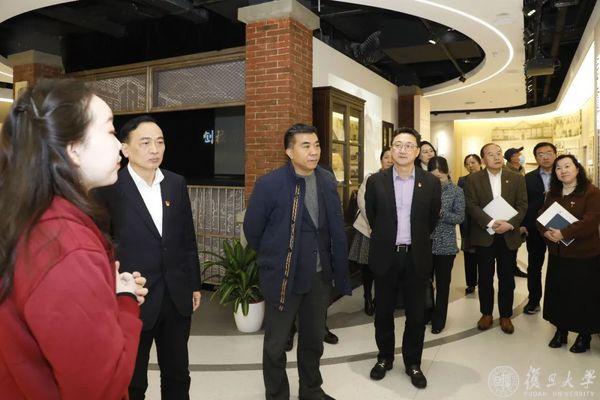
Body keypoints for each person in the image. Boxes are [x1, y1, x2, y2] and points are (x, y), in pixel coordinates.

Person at [0, 79, 148, 399]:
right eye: (110, 131)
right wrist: (123, 300)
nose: (120, 146)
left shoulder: (31, 217)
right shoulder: (66, 248)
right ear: (74, 150)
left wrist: (104, 290)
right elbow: (102, 388)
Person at [243, 123, 351, 400]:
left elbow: (333, 224)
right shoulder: (270, 184)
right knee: (276, 344)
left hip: (318, 276)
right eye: (306, 146)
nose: (314, 151)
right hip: (284, 277)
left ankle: (311, 390)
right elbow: (252, 230)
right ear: (289, 152)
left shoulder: (326, 179)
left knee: (313, 340)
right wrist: (274, 257)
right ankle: (277, 394)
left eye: (317, 145)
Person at [97, 115, 201, 400]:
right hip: (133, 298)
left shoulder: (175, 183)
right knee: (133, 381)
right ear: (125, 149)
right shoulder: (109, 188)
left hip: (176, 295)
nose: (155, 149)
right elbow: (101, 245)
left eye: (160, 142)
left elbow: (187, 237)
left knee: (178, 375)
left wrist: (194, 283)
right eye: (145, 143)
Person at [365, 127, 441, 389]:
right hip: (386, 256)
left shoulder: (430, 182)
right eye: (397, 144)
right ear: (391, 149)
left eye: (409, 145)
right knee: (383, 312)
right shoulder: (376, 181)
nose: (402, 150)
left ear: (417, 151)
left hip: (416, 256)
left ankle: (413, 362)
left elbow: (432, 219)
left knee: (417, 314)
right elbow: (373, 216)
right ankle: (384, 358)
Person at [538, 155, 600, 353]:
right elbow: (541, 217)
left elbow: (591, 221)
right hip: (558, 254)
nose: (563, 170)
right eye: (558, 168)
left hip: (584, 255)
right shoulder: (553, 193)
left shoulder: (591, 192)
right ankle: (561, 330)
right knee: (559, 294)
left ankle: (584, 335)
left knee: (582, 295)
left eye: (567, 166)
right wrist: (545, 232)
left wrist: (564, 233)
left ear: (577, 169)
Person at [465, 143, 527, 334]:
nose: (497, 157)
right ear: (483, 159)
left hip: (508, 234)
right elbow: (471, 205)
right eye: (491, 154)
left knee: (507, 278)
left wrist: (510, 224)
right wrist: (491, 222)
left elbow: (522, 205)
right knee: (484, 277)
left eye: (499, 153)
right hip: (484, 234)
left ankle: (506, 315)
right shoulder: (473, 179)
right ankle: (486, 313)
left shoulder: (516, 178)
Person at [349, 147, 394, 316]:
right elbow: (362, 202)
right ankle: (367, 297)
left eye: (392, 157)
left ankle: (379, 298)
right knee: (368, 268)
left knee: (386, 267)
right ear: (381, 160)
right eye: (386, 157)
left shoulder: (398, 179)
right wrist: (375, 224)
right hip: (368, 230)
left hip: (390, 232)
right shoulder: (371, 178)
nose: (389, 160)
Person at [427, 156, 465, 334]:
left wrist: (441, 213)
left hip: (446, 244)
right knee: (424, 282)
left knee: (442, 285)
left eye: (439, 177)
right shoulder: (423, 189)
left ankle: (439, 319)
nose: (436, 180)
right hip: (425, 243)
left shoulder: (456, 191)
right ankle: (427, 313)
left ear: (447, 173)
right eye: (432, 177)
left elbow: (459, 217)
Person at [521, 142, 557, 315]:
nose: (545, 157)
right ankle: (534, 300)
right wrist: (524, 224)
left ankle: (557, 303)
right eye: (540, 154)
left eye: (548, 153)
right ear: (536, 158)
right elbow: (523, 203)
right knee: (534, 266)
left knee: (558, 266)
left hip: (560, 228)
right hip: (535, 228)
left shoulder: (564, 174)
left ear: (555, 154)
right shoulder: (528, 178)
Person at [457, 154, 482, 294]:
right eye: (467, 163)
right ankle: (471, 283)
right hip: (468, 221)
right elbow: (460, 201)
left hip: (484, 220)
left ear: (480, 162)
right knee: (469, 254)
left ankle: (484, 281)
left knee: (484, 254)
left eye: (473, 162)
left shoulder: (487, 178)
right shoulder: (462, 180)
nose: (470, 165)